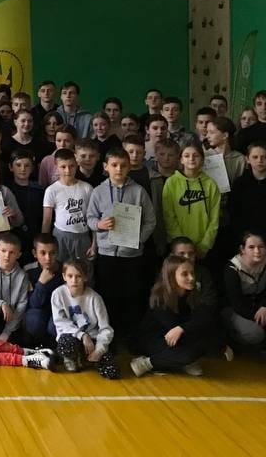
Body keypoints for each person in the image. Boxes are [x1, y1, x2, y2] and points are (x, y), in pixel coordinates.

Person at [86, 148, 157, 340]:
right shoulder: (98, 191)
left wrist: (138, 239)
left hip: (131, 255)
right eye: (114, 165)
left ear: (129, 167)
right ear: (105, 167)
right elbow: (90, 218)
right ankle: (110, 337)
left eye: (123, 165)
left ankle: (131, 337)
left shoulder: (138, 191)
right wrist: (99, 225)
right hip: (106, 254)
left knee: (132, 296)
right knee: (108, 296)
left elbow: (151, 220)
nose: (118, 169)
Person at [131, 254, 220, 378]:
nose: (191, 278)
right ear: (172, 276)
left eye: (192, 273)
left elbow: (203, 316)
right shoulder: (160, 298)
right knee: (192, 352)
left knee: (207, 339)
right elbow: (172, 328)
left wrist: (183, 328)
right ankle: (147, 363)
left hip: (176, 335)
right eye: (185, 274)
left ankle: (179, 361)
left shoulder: (191, 294)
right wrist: (186, 329)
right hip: (155, 339)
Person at [51, 258, 119, 379]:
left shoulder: (95, 298)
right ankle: (74, 359)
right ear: (64, 276)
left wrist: (99, 350)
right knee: (65, 344)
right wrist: (82, 335)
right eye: (70, 276)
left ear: (85, 277)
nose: (74, 280)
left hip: (92, 340)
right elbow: (60, 322)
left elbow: (105, 328)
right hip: (73, 336)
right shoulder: (58, 294)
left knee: (112, 372)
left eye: (78, 276)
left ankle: (85, 360)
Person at [220, 231, 266, 351]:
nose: (257, 251)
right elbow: (237, 303)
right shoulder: (233, 268)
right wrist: (259, 316)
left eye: (261, 247)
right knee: (256, 334)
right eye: (251, 247)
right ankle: (233, 340)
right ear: (242, 249)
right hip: (235, 309)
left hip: (259, 306)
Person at [162, 145, 221, 258]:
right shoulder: (171, 183)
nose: (191, 159)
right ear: (181, 160)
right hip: (178, 247)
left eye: (196, 156)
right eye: (187, 156)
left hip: (203, 246)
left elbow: (214, 219)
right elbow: (168, 216)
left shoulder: (211, 184)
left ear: (202, 159)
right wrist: (181, 244)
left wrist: (205, 244)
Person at [42, 148, 95, 269]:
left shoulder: (87, 188)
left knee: (83, 270)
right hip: (60, 237)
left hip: (82, 237)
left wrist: (94, 245)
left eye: (71, 166)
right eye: (63, 167)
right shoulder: (52, 190)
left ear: (76, 164)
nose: (68, 170)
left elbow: (93, 217)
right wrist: (45, 246)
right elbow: (46, 220)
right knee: (60, 269)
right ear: (56, 166)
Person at [22, 233, 62, 347]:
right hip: (38, 311)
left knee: (54, 325)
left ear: (57, 253)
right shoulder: (28, 271)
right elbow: (33, 304)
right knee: (34, 319)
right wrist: (41, 283)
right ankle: (38, 345)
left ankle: (56, 346)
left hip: (58, 311)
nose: (48, 258)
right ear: (35, 253)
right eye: (43, 253)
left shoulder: (65, 270)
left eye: (52, 253)